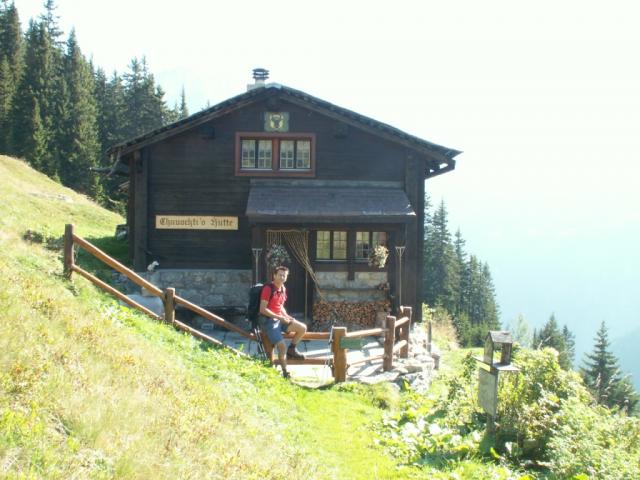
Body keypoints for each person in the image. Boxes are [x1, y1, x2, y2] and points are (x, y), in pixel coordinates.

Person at [259, 265, 307, 378]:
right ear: (274, 275)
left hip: (280, 319)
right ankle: (285, 372)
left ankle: (292, 349)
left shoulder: (283, 289)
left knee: (302, 328)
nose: (282, 277)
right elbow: (262, 309)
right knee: (282, 346)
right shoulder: (268, 289)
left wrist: (286, 316)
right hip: (269, 322)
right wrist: (279, 317)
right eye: (280, 275)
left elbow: (280, 306)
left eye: (284, 276)